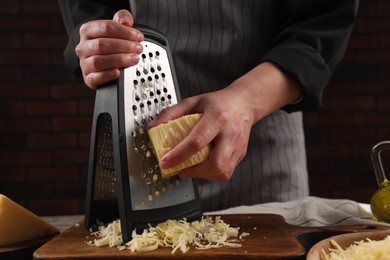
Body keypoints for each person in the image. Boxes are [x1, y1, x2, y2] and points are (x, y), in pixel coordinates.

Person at [58, 0, 359, 211]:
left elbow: (319, 27)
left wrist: (244, 103)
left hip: (263, 160)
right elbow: (87, 16)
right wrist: (96, 44)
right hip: (142, 163)